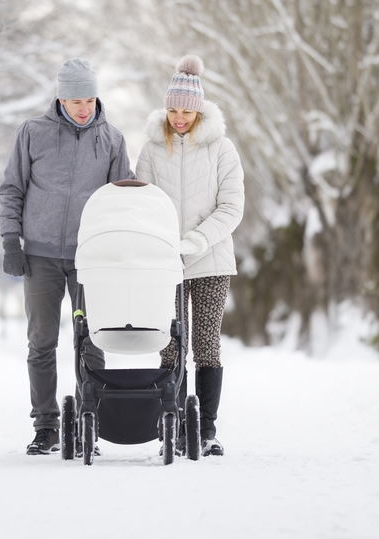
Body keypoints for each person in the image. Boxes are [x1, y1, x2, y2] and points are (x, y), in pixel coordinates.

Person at [0, 58, 134, 455]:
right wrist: (11, 241)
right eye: (75, 99)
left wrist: (117, 253)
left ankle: (90, 420)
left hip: (90, 260)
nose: (83, 107)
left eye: (89, 99)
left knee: (93, 340)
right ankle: (46, 427)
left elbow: (120, 203)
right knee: (41, 341)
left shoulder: (112, 140)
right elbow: (11, 189)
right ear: (60, 97)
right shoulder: (33, 133)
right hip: (39, 257)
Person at [136, 55, 244, 457]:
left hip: (212, 261)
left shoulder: (222, 149)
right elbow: (142, 204)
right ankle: (174, 422)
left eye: (187, 110)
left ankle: (207, 429)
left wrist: (199, 239)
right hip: (166, 265)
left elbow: (232, 206)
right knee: (169, 346)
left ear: (200, 110)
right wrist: (161, 244)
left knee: (205, 344)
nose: (179, 118)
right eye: (173, 110)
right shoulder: (150, 149)